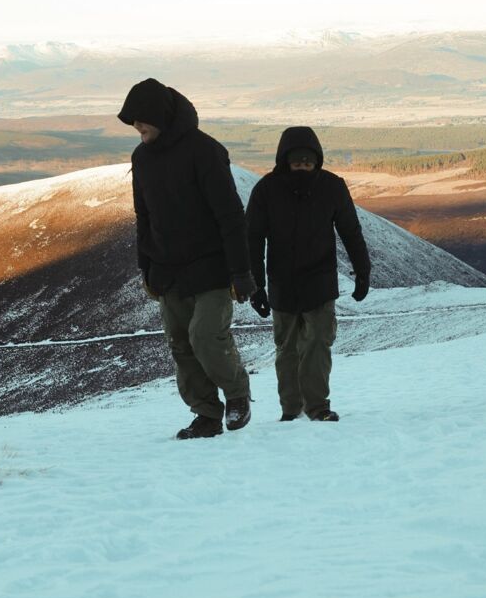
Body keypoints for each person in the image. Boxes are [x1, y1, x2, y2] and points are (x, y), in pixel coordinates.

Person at [118, 77, 256, 439]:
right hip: (167, 269)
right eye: (133, 123)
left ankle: (237, 394)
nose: (137, 127)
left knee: (205, 336)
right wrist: (146, 267)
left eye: (142, 120)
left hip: (211, 266)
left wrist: (241, 271)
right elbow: (144, 216)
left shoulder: (204, 151)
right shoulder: (141, 158)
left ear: (159, 115)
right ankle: (206, 414)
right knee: (180, 344)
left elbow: (230, 215)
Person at [246, 126, 370, 422]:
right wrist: (256, 286)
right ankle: (291, 410)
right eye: (297, 162)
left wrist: (362, 270)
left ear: (317, 161)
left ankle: (318, 407)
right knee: (286, 349)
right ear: (284, 161)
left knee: (318, 344)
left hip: (320, 281)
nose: (303, 167)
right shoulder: (266, 190)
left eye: (308, 162)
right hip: (282, 283)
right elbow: (252, 239)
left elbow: (351, 231)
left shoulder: (332, 187)